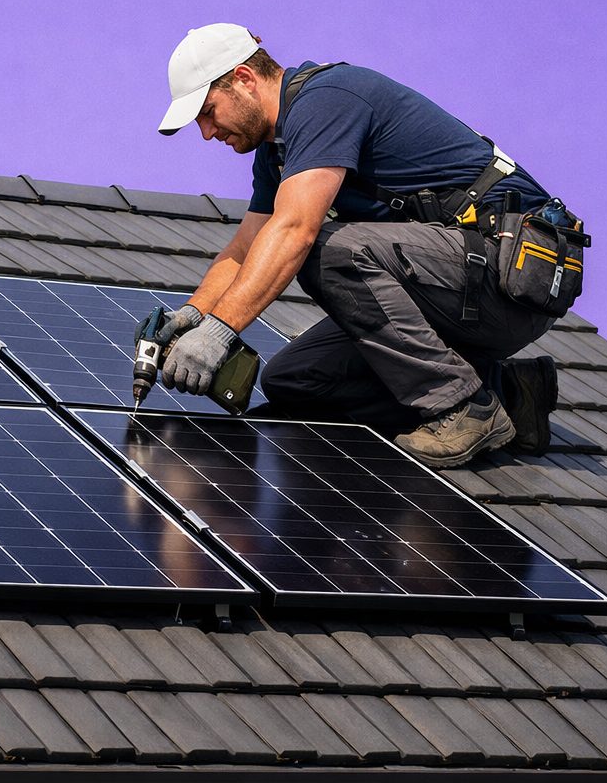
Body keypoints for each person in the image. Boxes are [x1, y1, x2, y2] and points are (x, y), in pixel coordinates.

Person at [151, 23, 562, 468]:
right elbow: (246, 248)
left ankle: (463, 407)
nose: (207, 132)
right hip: (456, 286)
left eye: (208, 112)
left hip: (510, 281)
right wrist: (193, 315)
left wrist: (219, 332)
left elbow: (294, 231)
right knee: (295, 381)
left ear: (244, 79)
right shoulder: (277, 154)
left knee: (328, 251)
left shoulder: (327, 99)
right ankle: (511, 394)